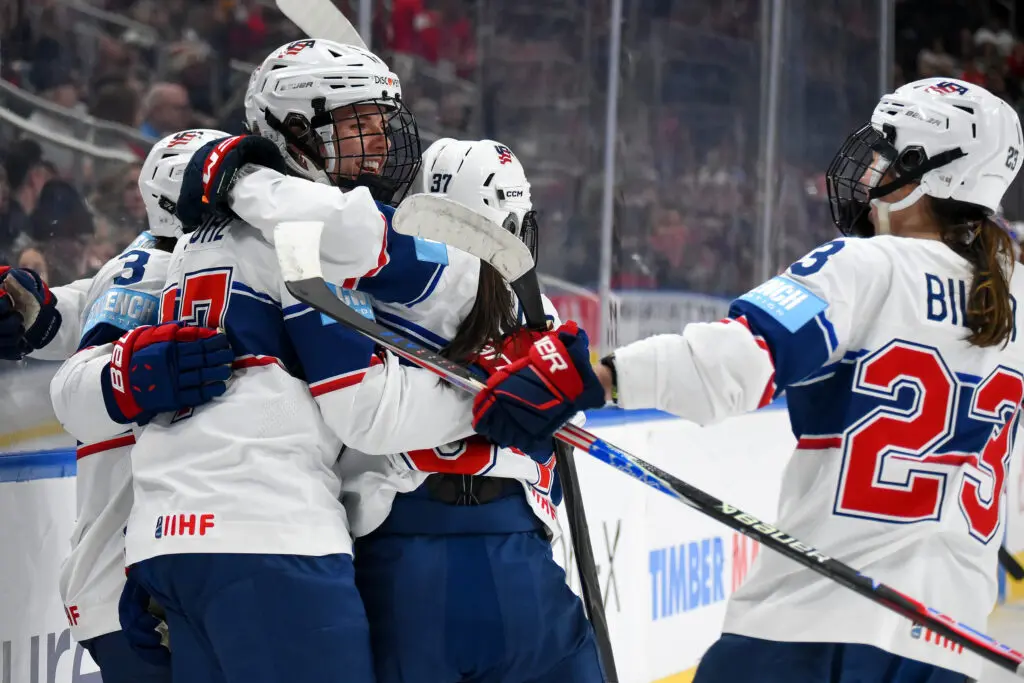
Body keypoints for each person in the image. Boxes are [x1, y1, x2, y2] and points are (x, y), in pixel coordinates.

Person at [470, 77, 1024, 683]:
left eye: (884, 157)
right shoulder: (1013, 298)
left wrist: (594, 374)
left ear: (925, 169)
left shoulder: (867, 266)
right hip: (950, 649)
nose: (867, 177)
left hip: (808, 635)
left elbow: (740, 360)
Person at [104, 38, 441, 683]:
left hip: (165, 542)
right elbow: (364, 411)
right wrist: (484, 398)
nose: (378, 142)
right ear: (293, 131)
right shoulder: (303, 237)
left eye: (380, 122)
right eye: (356, 124)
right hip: (270, 544)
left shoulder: (198, 240)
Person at [334, 137, 604, 683]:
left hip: (400, 558)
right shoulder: (531, 308)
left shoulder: (368, 288)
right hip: (514, 557)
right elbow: (570, 425)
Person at [1, 129, 233, 683]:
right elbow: (88, 385)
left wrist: (42, 315)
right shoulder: (173, 273)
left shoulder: (145, 264)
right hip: (141, 576)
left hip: (136, 572)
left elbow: (84, 308)